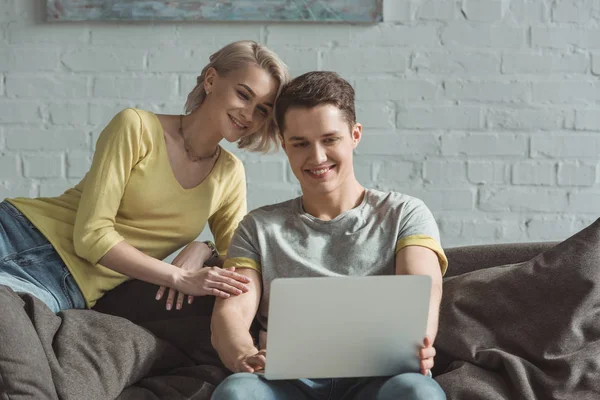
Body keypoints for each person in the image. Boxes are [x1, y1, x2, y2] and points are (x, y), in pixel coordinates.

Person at [0, 40, 290, 313]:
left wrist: (203, 248)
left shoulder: (229, 173)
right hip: (18, 231)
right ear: (211, 80)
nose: (249, 115)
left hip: (64, 284)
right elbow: (91, 236)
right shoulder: (136, 127)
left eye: (262, 110)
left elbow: (238, 259)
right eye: (243, 94)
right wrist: (177, 277)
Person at [210, 71, 448, 400]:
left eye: (330, 139)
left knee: (417, 392)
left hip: (381, 378)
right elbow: (232, 312)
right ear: (284, 144)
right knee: (237, 392)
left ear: (355, 135)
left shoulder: (404, 213)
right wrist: (243, 355)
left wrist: (419, 343)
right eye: (301, 143)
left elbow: (423, 293)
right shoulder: (258, 227)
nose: (317, 157)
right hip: (286, 383)